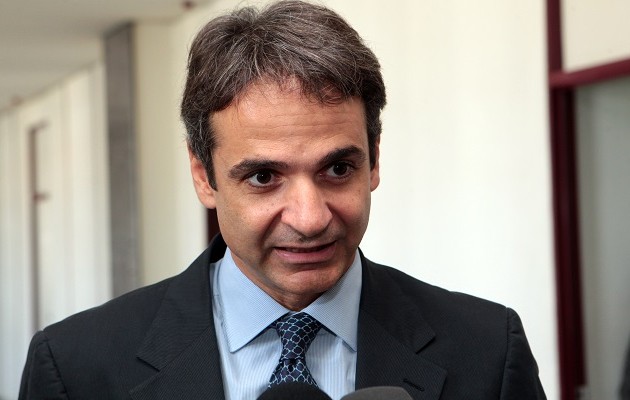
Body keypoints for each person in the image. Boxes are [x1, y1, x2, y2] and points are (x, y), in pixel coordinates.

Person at [19, 1, 546, 399]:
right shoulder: (74, 367)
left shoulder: (488, 350)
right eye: (264, 177)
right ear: (204, 177)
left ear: (374, 161)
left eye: (337, 169)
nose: (310, 218)